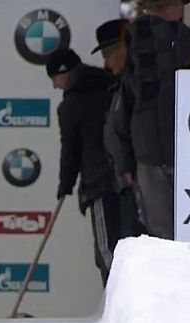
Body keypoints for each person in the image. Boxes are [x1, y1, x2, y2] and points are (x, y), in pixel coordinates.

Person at [113, 0, 190, 239]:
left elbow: (122, 109)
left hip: (148, 155)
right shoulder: (184, 40)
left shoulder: (135, 46)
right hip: (180, 152)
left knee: (162, 238)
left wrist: (125, 162)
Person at [46, 48, 121, 286]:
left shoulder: (72, 105)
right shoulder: (110, 84)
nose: (56, 87)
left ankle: (118, 299)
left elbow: (71, 150)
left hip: (99, 180)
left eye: (54, 79)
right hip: (127, 178)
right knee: (124, 243)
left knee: (106, 249)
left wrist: (64, 185)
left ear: (63, 74)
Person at [94, 18, 147, 240]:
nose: (106, 64)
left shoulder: (138, 81)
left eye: (108, 54)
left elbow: (138, 129)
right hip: (125, 183)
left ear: (124, 47)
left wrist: (131, 167)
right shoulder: (119, 85)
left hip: (141, 181)